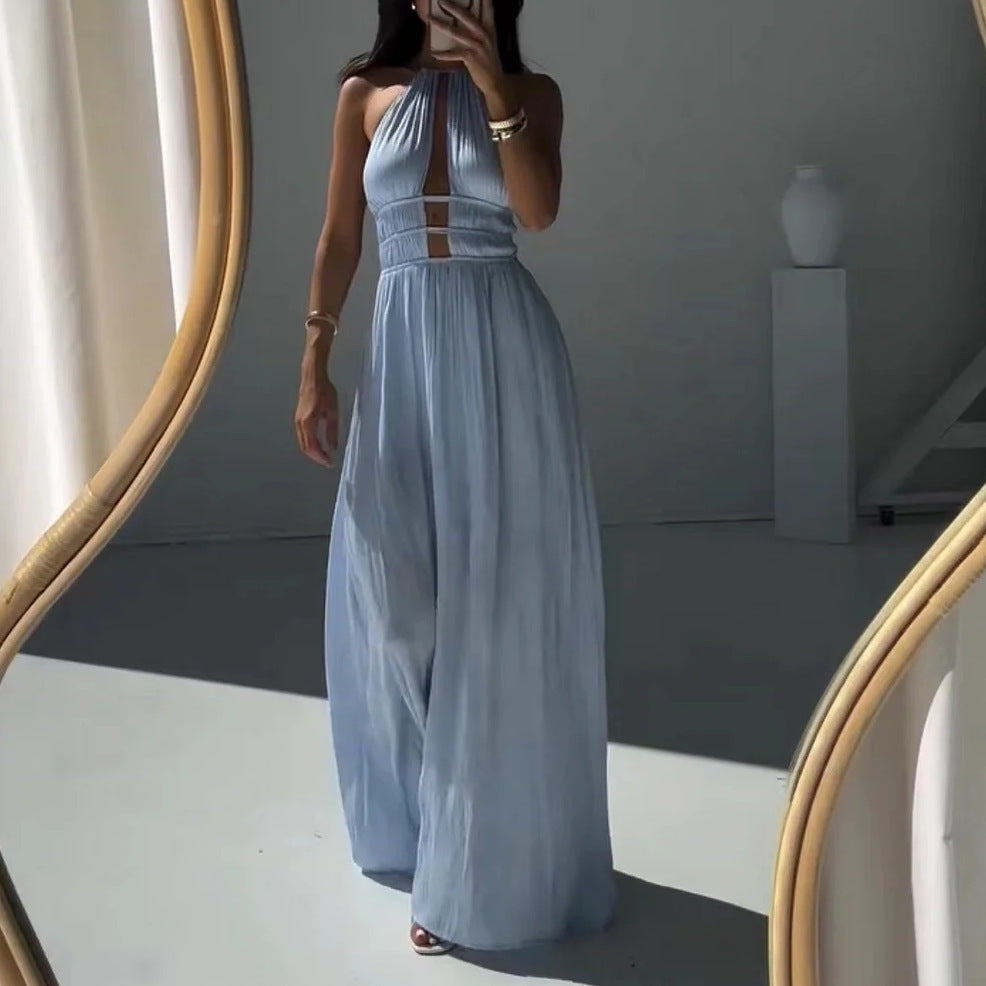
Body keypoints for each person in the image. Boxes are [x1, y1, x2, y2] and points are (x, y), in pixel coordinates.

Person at [296, 0, 615, 955]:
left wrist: (490, 89)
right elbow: (340, 237)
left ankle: (470, 863)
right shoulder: (364, 95)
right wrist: (313, 360)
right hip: (402, 358)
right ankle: (423, 818)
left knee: (498, 609)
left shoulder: (532, 95)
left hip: (505, 355)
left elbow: (537, 210)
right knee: (396, 604)